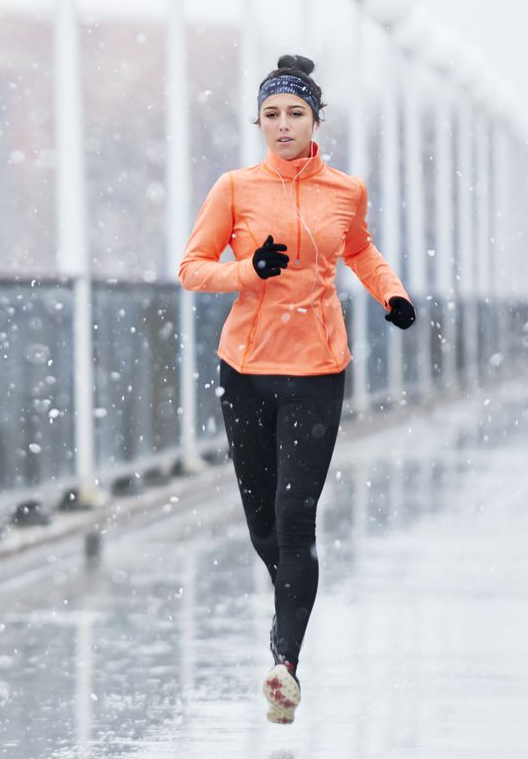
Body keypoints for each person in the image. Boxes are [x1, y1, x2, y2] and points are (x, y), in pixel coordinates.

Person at [177, 54, 416, 725]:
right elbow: (192, 269)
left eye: (296, 113)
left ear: (316, 121)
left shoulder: (345, 190)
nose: (283, 125)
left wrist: (390, 294)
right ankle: (290, 594)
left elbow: (361, 252)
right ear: (259, 121)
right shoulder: (234, 188)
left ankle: (285, 664)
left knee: (294, 516)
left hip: (316, 370)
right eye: (272, 114)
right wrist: (248, 270)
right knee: (262, 522)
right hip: (246, 371)